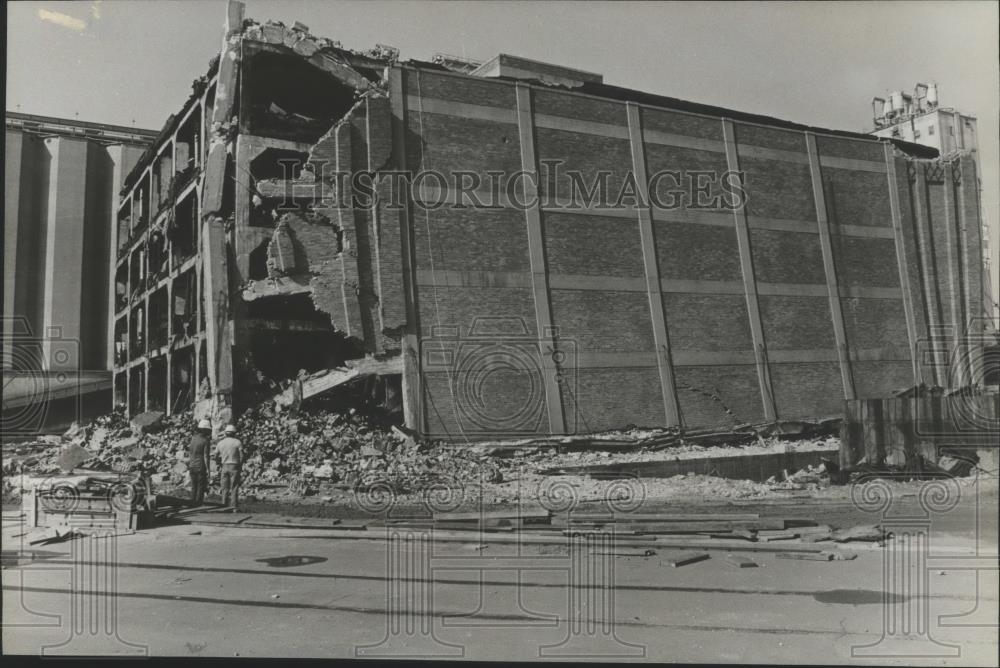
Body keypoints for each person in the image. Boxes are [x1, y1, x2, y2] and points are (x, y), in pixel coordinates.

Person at [215, 424, 243, 511]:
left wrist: (219, 463)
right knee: (234, 487)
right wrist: (240, 465)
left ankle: (224, 506)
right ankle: (234, 507)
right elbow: (241, 455)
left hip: (224, 466)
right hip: (234, 465)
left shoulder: (220, 443)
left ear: (226, 433)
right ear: (234, 433)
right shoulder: (237, 442)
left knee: (224, 487)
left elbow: (215, 455)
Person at [188, 419, 212, 506]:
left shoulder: (193, 438)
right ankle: (198, 504)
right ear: (206, 430)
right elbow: (206, 456)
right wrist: (208, 470)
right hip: (200, 466)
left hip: (192, 466)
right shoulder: (205, 441)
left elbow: (190, 452)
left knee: (194, 486)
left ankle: (192, 502)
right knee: (200, 486)